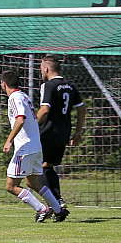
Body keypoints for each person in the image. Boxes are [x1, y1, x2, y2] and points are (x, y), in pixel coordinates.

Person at [1, 70, 69, 222]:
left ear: (4, 84)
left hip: (24, 147)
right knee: (32, 182)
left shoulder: (14, 97)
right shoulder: (24, 96)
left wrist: (9, 140)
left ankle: (42, 209)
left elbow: (20, 119)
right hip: (36, 146)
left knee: (11, 186)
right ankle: (58, 210)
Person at [37, 54, 86, 208]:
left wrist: (30, 125)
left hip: (49, 130)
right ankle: (58, 200)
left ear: (46, 68)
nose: (41, 73)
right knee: (48, 165)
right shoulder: (70, 85)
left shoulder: (48, 85)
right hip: (64, 132)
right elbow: (82, 109)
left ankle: (55, 201)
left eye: (41, 69)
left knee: (39, 167)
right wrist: (78, 132)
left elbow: (44, 110)